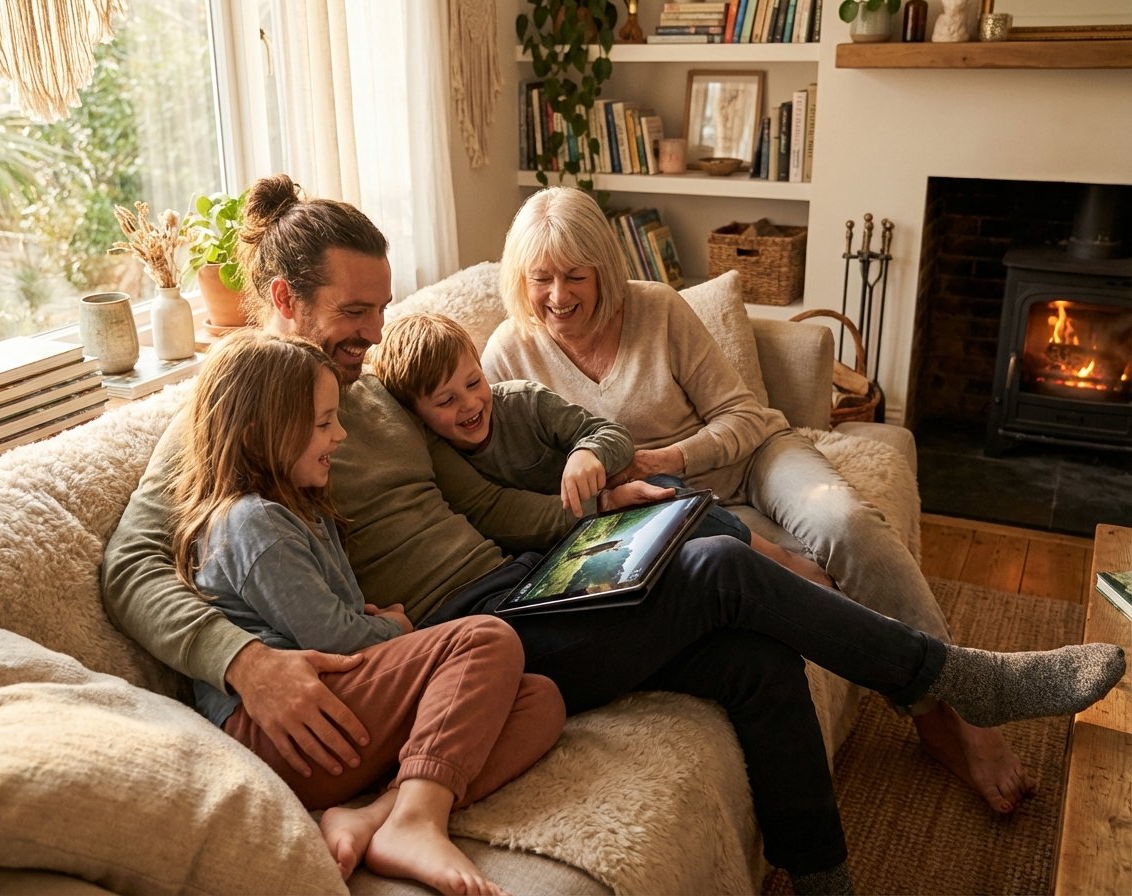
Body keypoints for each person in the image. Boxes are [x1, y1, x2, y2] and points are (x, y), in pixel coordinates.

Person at [102, 174, 1124, 896]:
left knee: (752, 651)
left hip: (517, 580)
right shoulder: (233, 408)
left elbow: (486, 466)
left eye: (380, 311)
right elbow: (135, 563)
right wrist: (240, 659)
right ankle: (951, 678)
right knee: (723, 566)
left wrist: (590, 491)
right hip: (461, 634)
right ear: (282, 299)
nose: (376, 334)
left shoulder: (369, 389)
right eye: (356, 313)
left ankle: (825, 876)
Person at [481, 185, 1037, 816]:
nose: (558, 296)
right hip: (665, 508)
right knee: (742, 575)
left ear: (604, 269)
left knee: (846, 522)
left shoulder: (657, 309)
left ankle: (971, 712)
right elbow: (514, 478)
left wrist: (668, 457)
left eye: (575, 276)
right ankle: (933, 716)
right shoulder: (506, 355)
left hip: (756, 460)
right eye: (541, 278)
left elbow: (742, 414)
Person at [168, 327, 564, 896]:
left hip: (335, 719)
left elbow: (337, 620)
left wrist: (371, 629)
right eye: (324, 423)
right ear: (259, 436)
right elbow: (338, 639)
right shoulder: (251, 522)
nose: (341, 434)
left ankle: (376, 815)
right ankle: (417, 822)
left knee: (538, 701)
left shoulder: (302, 509)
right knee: (486, 639)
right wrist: (394, 628)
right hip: (284, 731)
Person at [369, 310, 833, 587]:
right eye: (446, 401)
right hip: (555, 542)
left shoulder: (523, 401)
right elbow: (502, 516)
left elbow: (611, 434)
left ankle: (783, 562)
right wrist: (596, 505)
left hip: (613, 506)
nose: (470, 404)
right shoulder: (440, 458)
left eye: (474, 382)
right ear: (417, 415)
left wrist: (585, 454)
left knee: (667, 497)